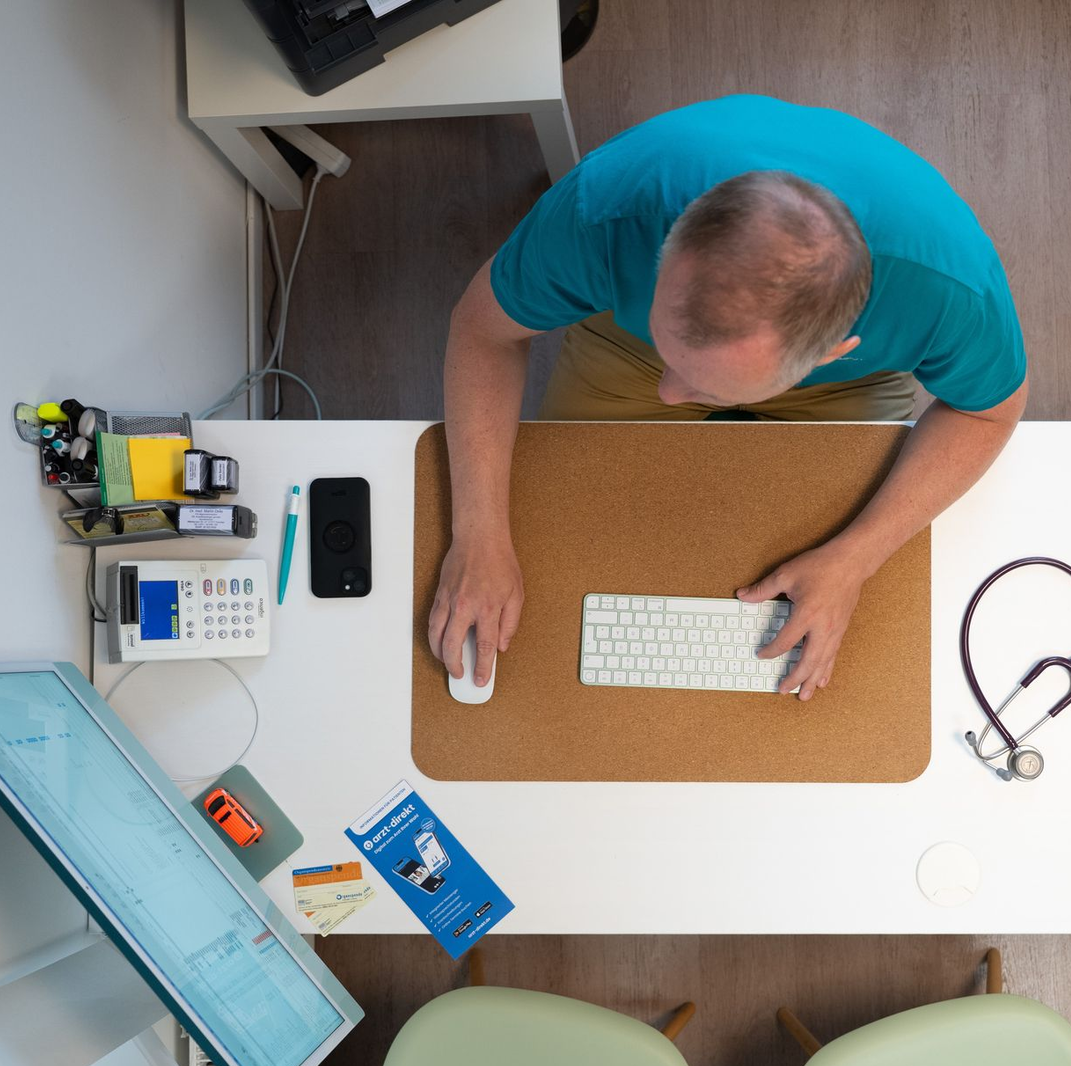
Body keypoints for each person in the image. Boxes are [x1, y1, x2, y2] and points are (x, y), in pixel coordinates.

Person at [428, 95, 1028, 700]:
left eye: (703, 389)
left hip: (851, 386)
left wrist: (857, 556)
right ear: (668, 254)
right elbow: (483, 331)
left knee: (850, 569)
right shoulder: (602, 212)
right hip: (628, 341)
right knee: (566, 516)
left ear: (830, 351)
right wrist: (478, 533)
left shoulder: (950, 290)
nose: (669, 398)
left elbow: (990, 412)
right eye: (676, 361)